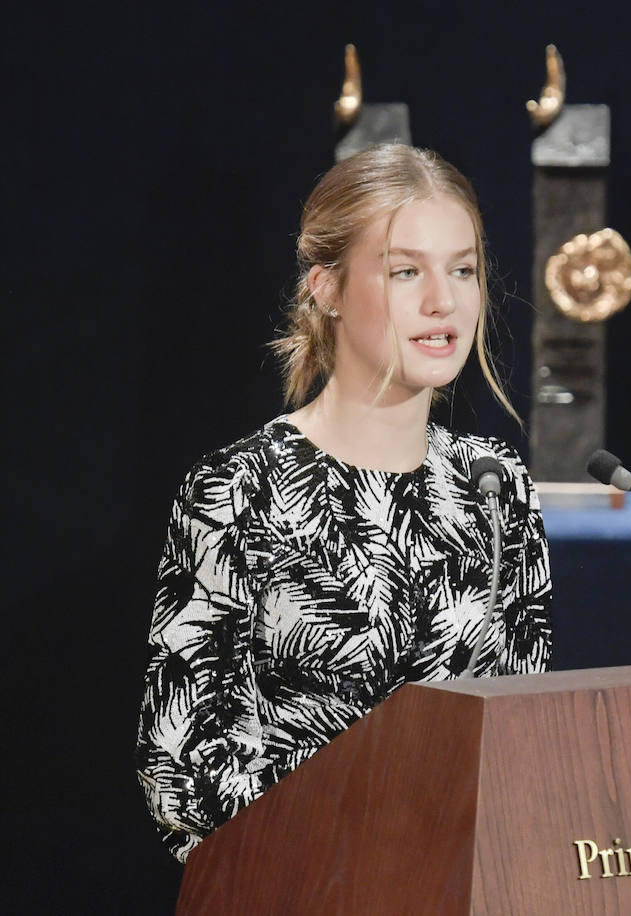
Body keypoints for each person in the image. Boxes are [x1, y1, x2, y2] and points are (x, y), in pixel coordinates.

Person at [135, 145, 552, 863]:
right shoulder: (239, 490)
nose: (441, 302)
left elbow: (525, 735)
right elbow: (177, 769)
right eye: (404, 272)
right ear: (326, 287)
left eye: (462, 269)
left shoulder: (498, 486)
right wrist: (363, 836)